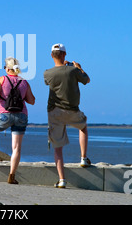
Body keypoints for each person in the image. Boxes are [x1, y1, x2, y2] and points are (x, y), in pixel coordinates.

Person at [44, 43, 91, 189]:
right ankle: (83, 158)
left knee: (58, 147)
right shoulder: (73, 70)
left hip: (54, 111)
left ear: (52, 55)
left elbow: (50, 81)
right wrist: (78, 67)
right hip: (72, 110)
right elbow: (87, 80)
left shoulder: (47, 73)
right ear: (64, 54)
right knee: (82, 127)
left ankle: (62, 180)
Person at [0, 57, 36, 185]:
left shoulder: (2, 79)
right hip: (21, 116)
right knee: (16, 148)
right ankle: (12, 176)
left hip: (4, 114)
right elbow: (32, 101)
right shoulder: (24, 82)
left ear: (7, 68)